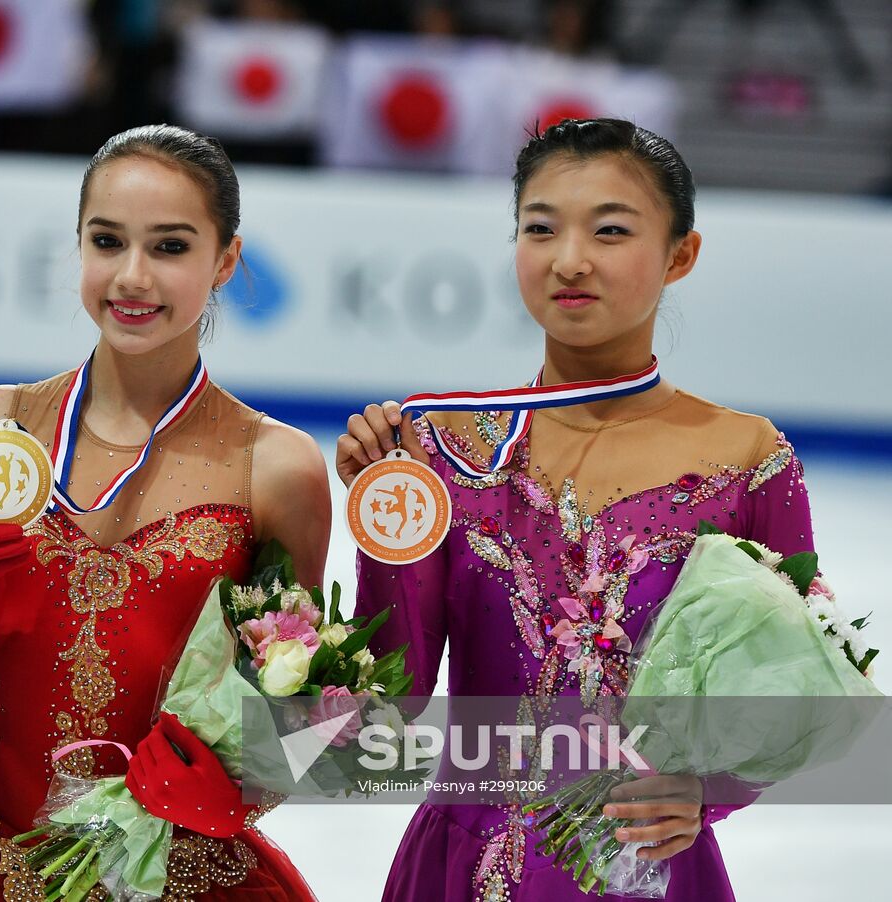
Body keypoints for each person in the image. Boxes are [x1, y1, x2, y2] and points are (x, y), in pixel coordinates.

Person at [0, 124, 331, 900]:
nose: (132, 277)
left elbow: (293, 715)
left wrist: (238, 794)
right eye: (108, 241)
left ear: (226, 259)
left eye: (170, 247)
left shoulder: (277, 468)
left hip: (178, 873)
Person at [338, 118, 814, 902]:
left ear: (681, 255)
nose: (569, 260)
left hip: (648, 866)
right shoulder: (443, 445)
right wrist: (384, 519)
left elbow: (791, 688)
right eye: (540, 228)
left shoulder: (747, 459)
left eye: (611, 230)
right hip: (468, 861)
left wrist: (707, 790)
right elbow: (397, 694)